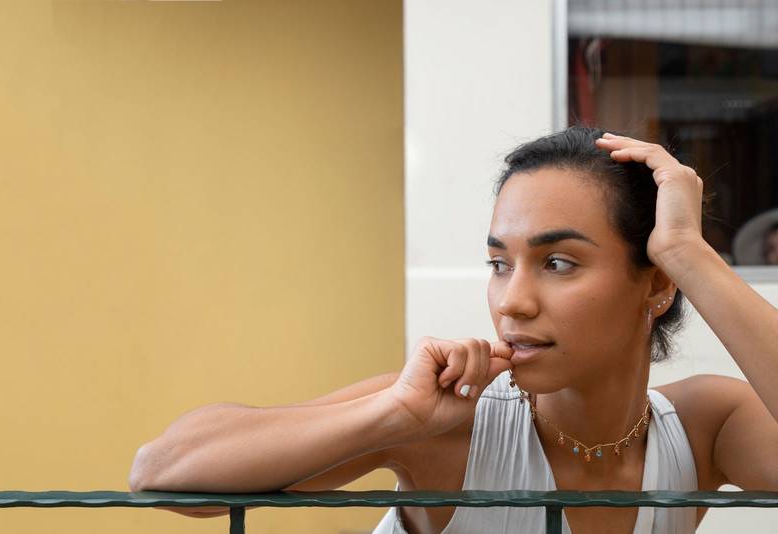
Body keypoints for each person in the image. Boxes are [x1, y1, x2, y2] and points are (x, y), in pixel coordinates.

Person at [127, 127, 778, 534]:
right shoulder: (448, 422)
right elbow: (161, 472)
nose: (512, 302)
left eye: (557, 263)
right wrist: (392, 417)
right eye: (499, 264)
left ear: (657, 285)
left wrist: (688, 253)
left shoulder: (700, 428)